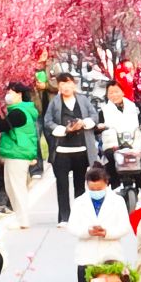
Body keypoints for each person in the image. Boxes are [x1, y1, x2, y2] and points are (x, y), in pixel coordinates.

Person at [66, 163, 136, 282]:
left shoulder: (117, 201)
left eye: (99, 189)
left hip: (111, 256)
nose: (96, 192)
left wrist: (106, 233)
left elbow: (124, 227)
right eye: (92, 189)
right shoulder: (80, 202)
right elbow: (72, 226)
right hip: (87, 257)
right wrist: (88, 231)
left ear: (106, 184)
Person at [43, 74, 98, 223]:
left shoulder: (83, 100)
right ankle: (64, 217)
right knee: (62, 185)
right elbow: (47, 122)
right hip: (62, 151)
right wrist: (64, 129)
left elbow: (94, 116)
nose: (65, 87)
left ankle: (79, 216)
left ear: (74, 85)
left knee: (80, 185)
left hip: (81, 150)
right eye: (62, 84)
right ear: (58, 86)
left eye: (68, 83)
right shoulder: (54, 102)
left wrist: (83, 123)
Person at [0, 80, 43, 228]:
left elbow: (3, 126)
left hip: (18, 153)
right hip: (15, 152)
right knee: (11, 187)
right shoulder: (18, 110)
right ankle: (20, 218)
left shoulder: (19, 112)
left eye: (10, 92)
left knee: (17, 187)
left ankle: (23, 219)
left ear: (19, 94)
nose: (7, 95)